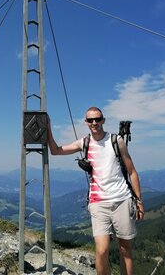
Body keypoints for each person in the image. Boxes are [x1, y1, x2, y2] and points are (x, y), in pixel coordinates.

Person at [47, 106, 144, 275]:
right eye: (90, 120)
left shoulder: (116, 141)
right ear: (86, 122)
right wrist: (47, 127)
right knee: (101, 251)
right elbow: (55, 151)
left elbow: (132, 171)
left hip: (122, 199)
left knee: (125, 250)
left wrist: (139, 201)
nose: (94, 123)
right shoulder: (84, 143)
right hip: (98, 203)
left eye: (97, 119)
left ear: (103, 121)